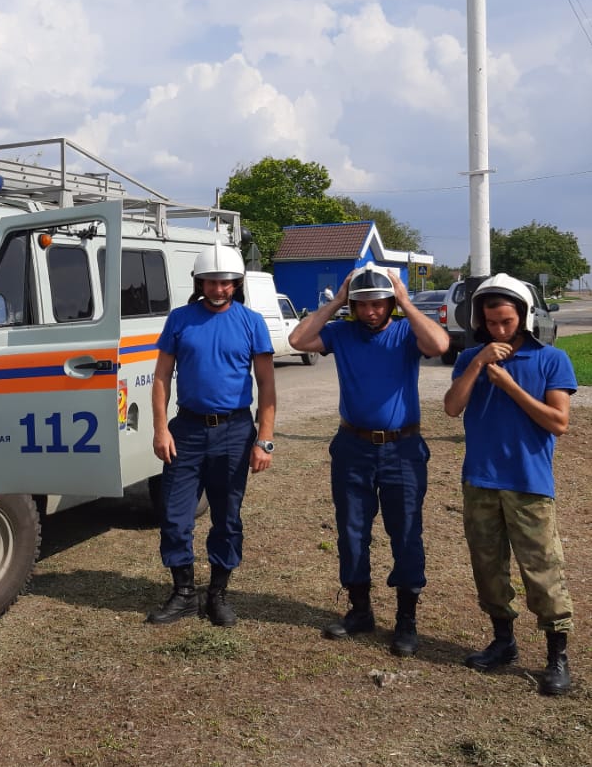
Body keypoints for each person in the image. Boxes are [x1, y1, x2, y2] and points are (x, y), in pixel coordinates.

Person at [289, 264, 449, 655]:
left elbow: (440, 346)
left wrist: (407, 302)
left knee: (406, 532)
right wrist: (338, 301)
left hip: (402, 448)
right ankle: (360, 611)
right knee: (352, 530)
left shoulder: (405, 332)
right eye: (363, 305)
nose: (371, 312)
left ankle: (406, 620)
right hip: (353, 447)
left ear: (390, 304)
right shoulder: (341, 333)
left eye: (379, 304)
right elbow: (297, 339)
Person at [443, 274, 577, 696]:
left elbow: (558, 423)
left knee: (542, 571)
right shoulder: (471, 359)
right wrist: (481, 362)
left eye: (506, 320)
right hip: (480, 480)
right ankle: (503, 642)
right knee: (488, 569)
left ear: (523, 316)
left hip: (529, 483)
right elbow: (451, 408)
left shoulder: (552, 359)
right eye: (490, 322)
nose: (499, 329)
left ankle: (556, 655)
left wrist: (512, 386)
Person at [148, 243, 276, 627]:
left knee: (227, 517)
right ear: (199, 282)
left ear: (236, 284)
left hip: (235, 432)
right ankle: (184, 593)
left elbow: (267, 385)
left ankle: (217, 594)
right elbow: (160, 378)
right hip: (185, 430)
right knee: (174, 516)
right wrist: (159, 429)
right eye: (211, 282)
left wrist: (264, 439)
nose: (218, 289)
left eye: (226, 283)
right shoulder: (180, 319)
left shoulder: (252, 322)